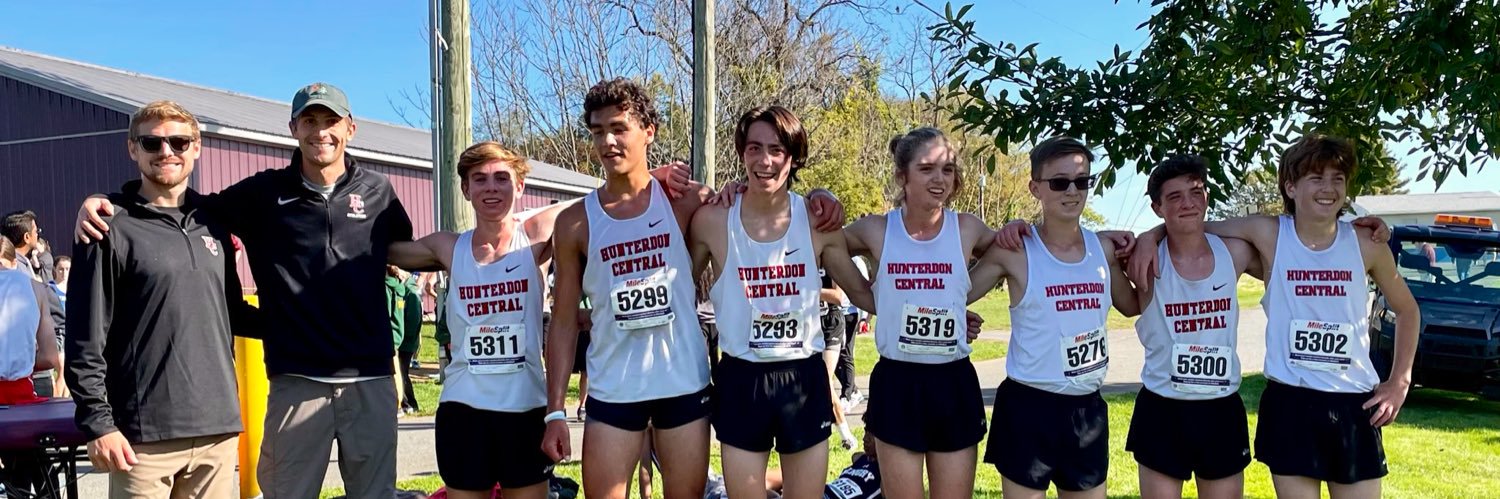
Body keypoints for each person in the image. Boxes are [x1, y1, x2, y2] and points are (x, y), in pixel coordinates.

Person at [78, 83, 415, 499]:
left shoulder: (379, 191)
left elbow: (403, 249)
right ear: (294, 127)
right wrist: (103, 202)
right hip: (296, 378)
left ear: (350, 128)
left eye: (330, 121)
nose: (320, 131)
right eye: (310, 120)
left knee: (376, 495)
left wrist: (465, 250)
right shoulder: (261, 194)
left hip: (369, 375)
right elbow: (176, 207)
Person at [540, 79, 845, 499]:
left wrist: (820, 194)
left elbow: (759, 203)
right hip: (614, 389)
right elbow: (561, 321)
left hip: (684, 385)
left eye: (618, 128)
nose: (607, 141)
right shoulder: (575, 222)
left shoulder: (691, 202)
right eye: (597, 131)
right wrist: (556, 409)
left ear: (649, 131)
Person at [1132, 134, 1418, 499]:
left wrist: (1399, 382)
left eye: (1338, 179)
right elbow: (1192, 224)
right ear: (1290, 186)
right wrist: (1148, 237)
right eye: (1316, 178)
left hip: (1352, 402)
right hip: (1290, 402)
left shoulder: (1366, 244)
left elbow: (1408, 309)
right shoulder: (1267, 233)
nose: (1328, 188)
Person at [65, 100, 260, 499]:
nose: (166, 152)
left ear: (197, 146)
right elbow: (85, 338)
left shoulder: (215, 221)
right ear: (132, 149)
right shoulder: (107, 226)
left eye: (178, 141)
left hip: (217, 429)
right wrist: (98, 424)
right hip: (142, 438)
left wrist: (311, 316)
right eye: (152, 143)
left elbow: (230, 313)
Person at [689, 106, 871, 498]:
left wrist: (947, 306)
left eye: (776, 149)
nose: (765, 160)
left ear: (793, 157)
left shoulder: (817, 221)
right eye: (754, 148)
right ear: (741, 153)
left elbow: (862, 292)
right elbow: (674, 287)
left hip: (802, 378)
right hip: (741, 379)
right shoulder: (712, 221)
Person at [387, 142, 572, 499]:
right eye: (480, 179)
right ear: (465, 189)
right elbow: (381, 249)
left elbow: (597, 202)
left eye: (502, 178)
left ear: (519, 186)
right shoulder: (447, 247)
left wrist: (654, 177)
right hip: (464, 411)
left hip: (524, 410)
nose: (491, 188)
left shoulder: (535, 235)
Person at [838, 127, 1004, 499]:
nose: (939, 179)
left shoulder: (968, 228)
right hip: (897, 384)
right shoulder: (877, 229)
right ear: (903, 176)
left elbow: (1020, 255)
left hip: (953, 382)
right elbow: (821, 241)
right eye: (927, 169)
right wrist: (865, 295)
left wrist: (958, 306)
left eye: (947, 169)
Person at [974, 136, 1142, 499]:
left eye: (1083, 181)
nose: (1073, 191)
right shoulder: (1015, 251)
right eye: (1060, 182)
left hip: (1086, 410)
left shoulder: (1105, 249)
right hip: (1028, 408)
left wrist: (1148, 246)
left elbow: (1131, 305)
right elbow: (957, 293)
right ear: (1035, 188)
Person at [1122, 155, 1264, 499]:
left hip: (1220, 407)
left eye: (1196, 192)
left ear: (1207, 197)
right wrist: (1148, 238)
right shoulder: (1142, 261)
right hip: (1162, 407)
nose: (1188, 203)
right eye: (1174, 197)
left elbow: (1296, 247)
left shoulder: (1236, 251)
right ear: (1157, 207)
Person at [0, 236, 60, 496]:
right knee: (34, 465)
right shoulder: (36, 288)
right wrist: (21, 360)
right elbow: (50, 357)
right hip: (22, 402)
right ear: (16, 263)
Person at [824, 432, 882, 499]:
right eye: (865, 432)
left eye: (871, 434)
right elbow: (855, 456)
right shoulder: (862, 459)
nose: (864, 439)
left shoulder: (886, 472)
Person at [1, 211, 41, 279]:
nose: (37, 234)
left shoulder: (22, 263)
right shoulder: (13, 268)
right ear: (27, 237)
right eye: (36, 231)